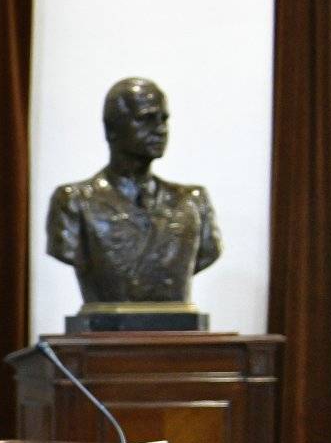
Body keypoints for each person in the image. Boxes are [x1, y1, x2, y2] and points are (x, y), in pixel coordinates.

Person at [45, 77, 222, 309]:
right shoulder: (74, 202)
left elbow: (207, 253)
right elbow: (66, 250)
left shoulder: (192, 201)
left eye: (163, 120)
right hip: (106, 336)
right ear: (111, 129)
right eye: (146, 119)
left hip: (177, 337)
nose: (160, 129)